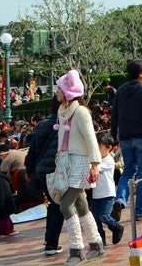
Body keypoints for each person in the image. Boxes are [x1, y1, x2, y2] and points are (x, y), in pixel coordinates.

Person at [53, 70, 104, 264]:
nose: (57, 92)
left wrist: (95, 164)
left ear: (68, 91)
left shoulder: (81, 112)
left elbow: (91, 139)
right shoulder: (63, 112)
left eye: (60, 88)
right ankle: (96, 245)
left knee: (66, 204)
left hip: (80, 162)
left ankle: (76, 250)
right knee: (81, 203)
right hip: (67, 162)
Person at [111, 59, 142, 221]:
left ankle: (119, 200)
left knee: (128, 170)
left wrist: (113, 137)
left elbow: (115, 115)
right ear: (140, 73)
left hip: (125, 137)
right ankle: (141, 209)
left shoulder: (121, 91)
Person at [25, 97, 65, 255]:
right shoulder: (65, 124)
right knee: (58, 206)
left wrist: (29, 170)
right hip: (56, 171)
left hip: (41, 171)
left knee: (53, 205)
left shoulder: (41, 125)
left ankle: (49, 239)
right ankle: (51, 244)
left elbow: (32, 150)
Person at [90, 133, 123, 246]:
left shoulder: (109, 160)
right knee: (95, 218)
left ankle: (116, 227)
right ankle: (100, 238)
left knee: (103, 215)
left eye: (99, 147)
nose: (97, 150)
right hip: (96, 194)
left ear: (109, 148)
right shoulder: (95, 159)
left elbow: (95, 169)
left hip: (107, 193)